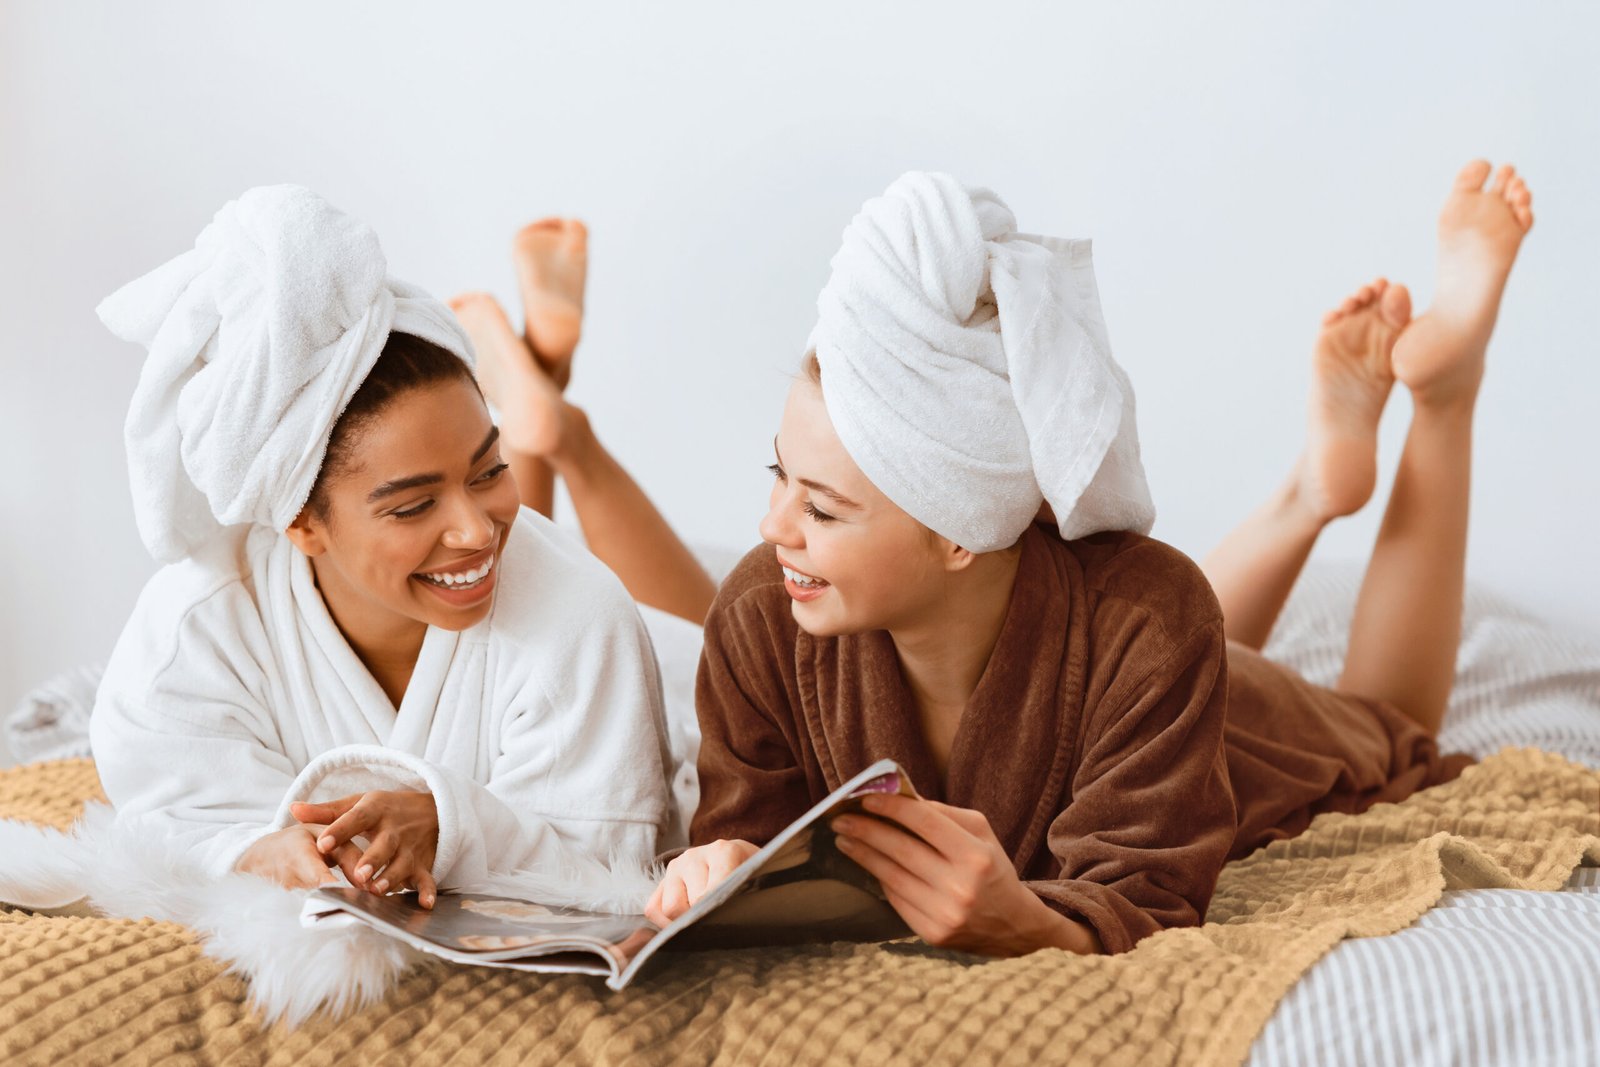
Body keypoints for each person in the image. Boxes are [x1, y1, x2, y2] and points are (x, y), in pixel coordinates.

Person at [638, 162, 1534, 955]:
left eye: (821, 506)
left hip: (1220, 726)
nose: (772, 527)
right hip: (1127, 661)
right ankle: (1309, 494)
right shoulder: (762, 615)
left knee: (1385, 726)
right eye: (778, 475)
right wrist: (727, 861)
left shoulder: (1150, 624)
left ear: (958, 532)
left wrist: (1022, 919)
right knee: (1154, 633)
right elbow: (746, 825)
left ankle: (1445, 396)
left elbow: (1147, 899)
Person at [89, 186, 678, 910]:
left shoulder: (584, 618)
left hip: (678, 688)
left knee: (705, 619)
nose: (473, 525)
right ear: (301, 523)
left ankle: (554, 431)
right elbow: (166, 819)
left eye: (493, 469)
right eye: (412, 504)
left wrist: (449, 822)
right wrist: (252, 850)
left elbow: (609, 865)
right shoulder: (198, 629)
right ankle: (535, 404)